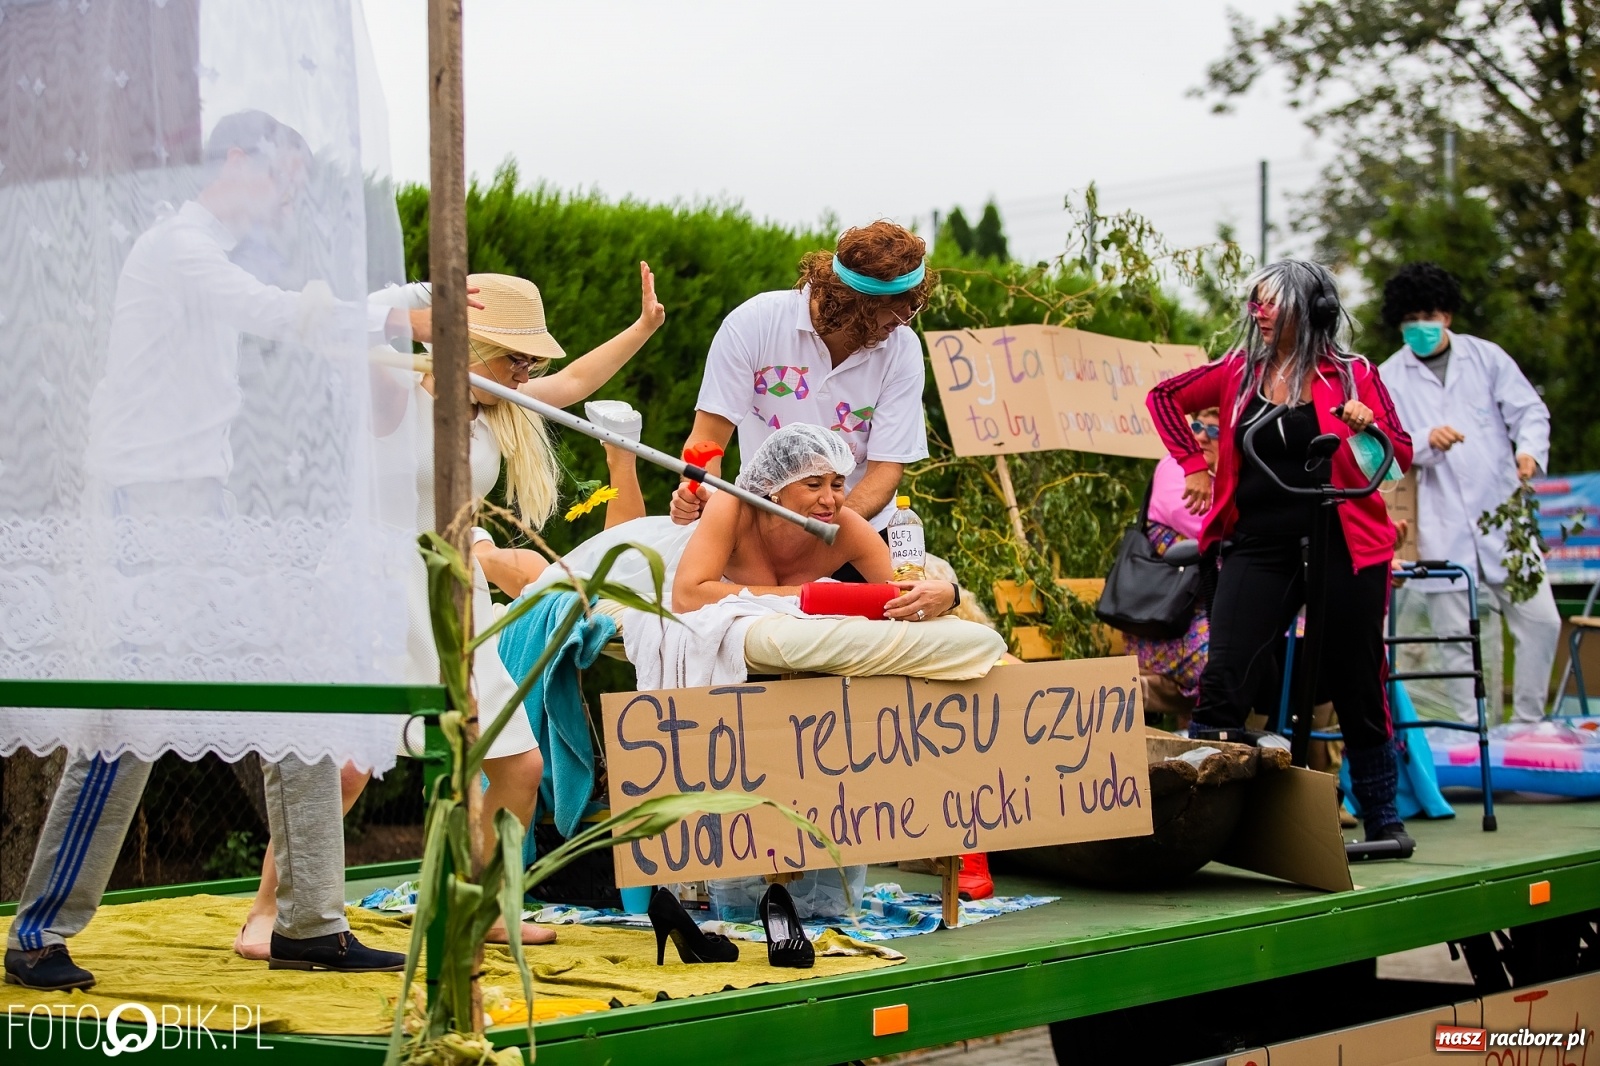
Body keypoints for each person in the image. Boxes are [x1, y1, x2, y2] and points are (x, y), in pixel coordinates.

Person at [5, 111, 424, 990]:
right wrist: (400, 315)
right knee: (126, 724)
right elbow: (273, 313)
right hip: (143, 512)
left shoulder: (203, 252)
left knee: (301, 687)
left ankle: (312, 921)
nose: (287, 201)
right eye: (284, 178)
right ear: (237, 160)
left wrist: (396, 317)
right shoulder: (175, 249)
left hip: (199, 507)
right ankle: (39, 931)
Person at [232, 267, 665, 959]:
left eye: (530, 359)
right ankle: (265, 914)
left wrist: (643, 329)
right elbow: (350, 324)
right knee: (342, 771)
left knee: (518, 766)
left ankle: (485, 904)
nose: (527, 370)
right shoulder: (394, 393)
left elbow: (578, 384)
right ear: (468, 342)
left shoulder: (500, 408)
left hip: (455, 596)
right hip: (373, 586)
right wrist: (416, 316)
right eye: (516, 355)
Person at [1146, 259, 1416, 849]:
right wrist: (1194, 462)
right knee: (1226, 676)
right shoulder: (1238, 372)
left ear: (1309, 309)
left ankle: (1382, 818)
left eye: (1271, 302)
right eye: (1255, 301)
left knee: (1357, 681)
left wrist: (1368, 427)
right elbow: (1164, 397)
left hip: (1345, 544)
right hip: (1258, 544)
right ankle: (1194, 823)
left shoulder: (1353, 375)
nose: (1258, 313)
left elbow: (1401, 454)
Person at [669, 222, 933, 561]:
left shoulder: (903, 349)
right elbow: (707, 440)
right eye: (896, 311)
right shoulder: (754, 324)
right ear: (855, 302)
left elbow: (886, 468)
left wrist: (829, 526)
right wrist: (700, 493)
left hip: (855, 531)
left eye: (912, 308)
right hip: (762, 528)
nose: (905, 320)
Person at [1377, 262, 1558, 724]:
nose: (1420, 326)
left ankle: (1527, 725)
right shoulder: (1388, 377)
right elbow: (1378, 448)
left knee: (1542, 623)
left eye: (1429, 315)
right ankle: (1468, 736)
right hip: (1440, 530)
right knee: (1455, 645)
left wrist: (1529, 453)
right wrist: (1422, 441)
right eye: (1410, 318)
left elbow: (1530, 411)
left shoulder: (1486, 358)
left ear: (1448, 315)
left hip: (1503, 521)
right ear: (1399, 322)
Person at [673, 423, 961, 618]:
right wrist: (804, 595)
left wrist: (950, 595)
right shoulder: (731, 507)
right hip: (667, 555)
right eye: (813, 485)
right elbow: (686, 596)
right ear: (775, 487)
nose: (829, 499)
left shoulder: (845, 526)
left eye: (837, 485)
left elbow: (904, 594)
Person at [1125, 408, 1221, 723]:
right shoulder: (1174, 469)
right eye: (1196, 426)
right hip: (1164, 629)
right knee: (1235, 660)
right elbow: (1220, 530)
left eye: (1215, 431)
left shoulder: (1219, 479)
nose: (1203, 435)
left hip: (1193, 619)